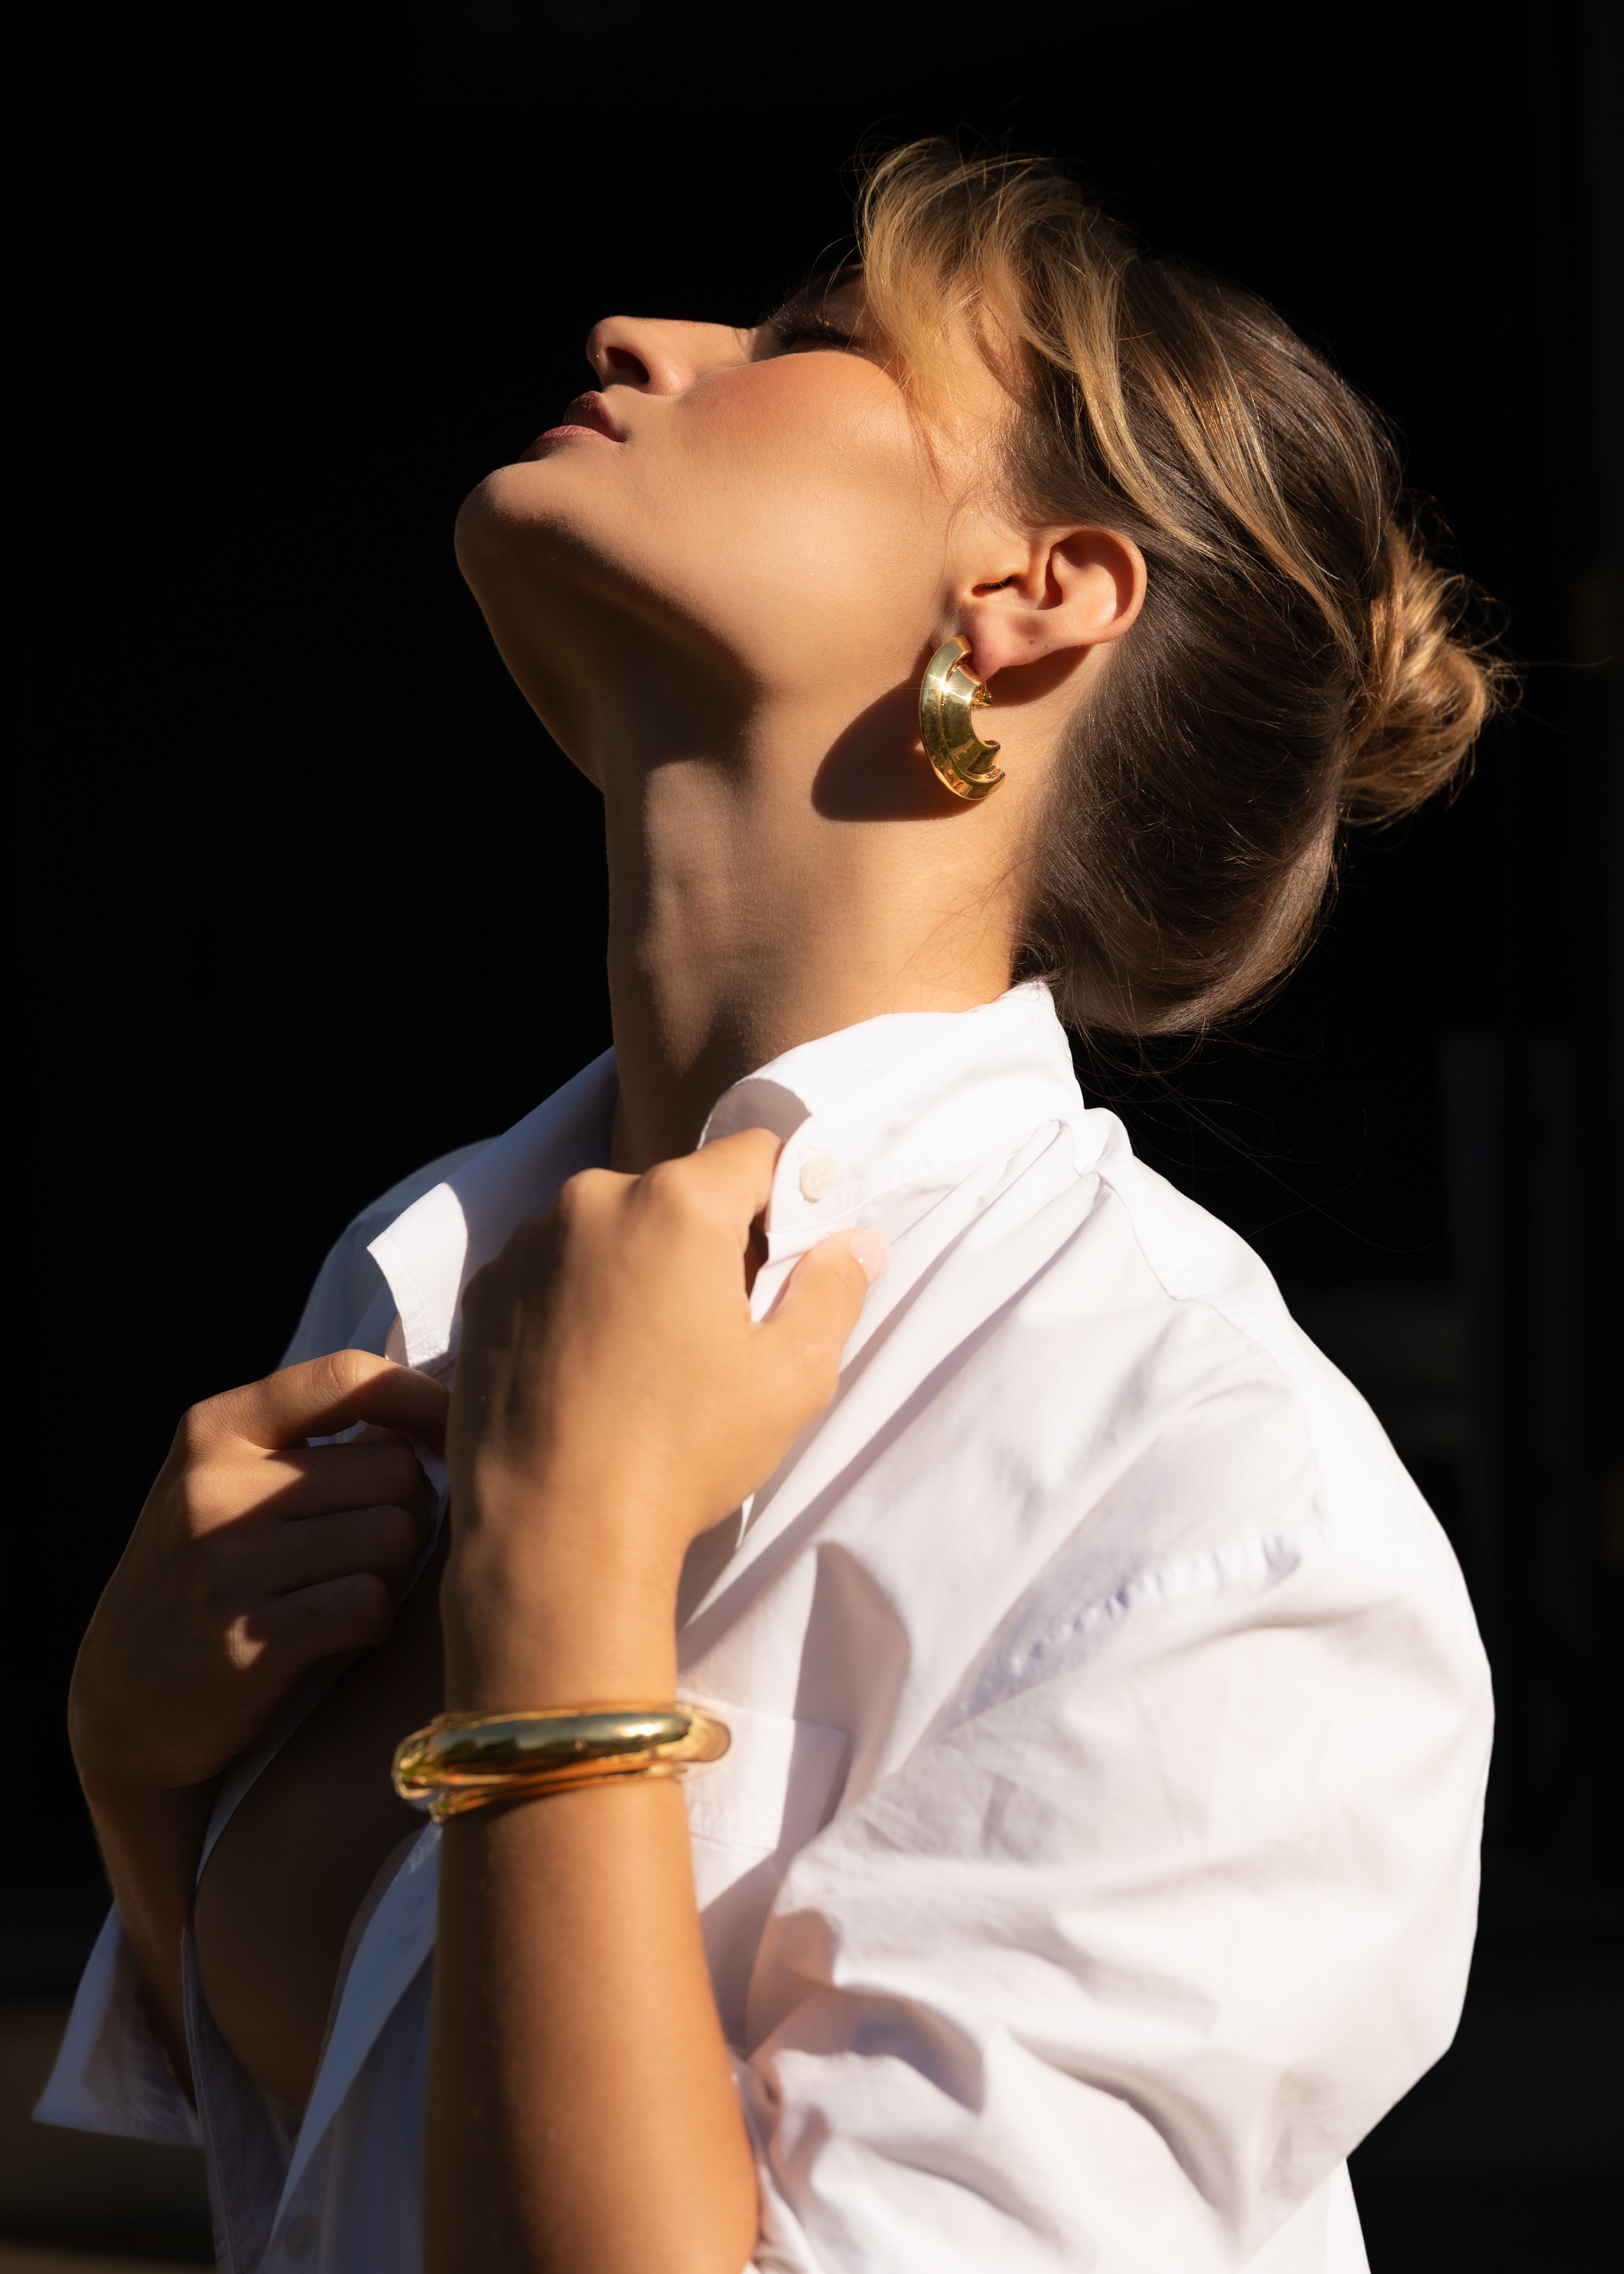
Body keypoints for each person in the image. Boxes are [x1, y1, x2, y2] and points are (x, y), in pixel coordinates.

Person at [39, 143, 1499, 2273]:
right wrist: (131, 1771)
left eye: (817, 339)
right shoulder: (430, 1273)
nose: (645, 336)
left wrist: (568, 1571)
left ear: (1032, 594)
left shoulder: (1214, 1503)